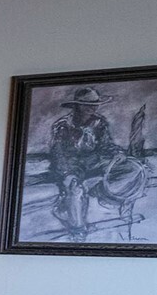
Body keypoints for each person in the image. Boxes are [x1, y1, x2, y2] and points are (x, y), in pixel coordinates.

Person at [47, 86, 116, 239]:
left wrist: (118, 154)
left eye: (95, 104)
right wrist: (66, 174)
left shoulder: (100, 123)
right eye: (88, 105)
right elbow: (58, 153)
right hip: (70, 166)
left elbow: (106, 146)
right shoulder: (63, 125)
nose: (93, 108)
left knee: (132, 171)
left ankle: (105, 198)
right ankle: (77, 229)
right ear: (77, 105)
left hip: (93, 165)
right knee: (75, 189)